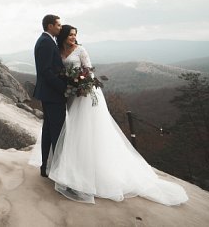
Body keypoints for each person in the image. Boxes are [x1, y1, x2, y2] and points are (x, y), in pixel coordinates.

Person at [47, 25, 188, 205]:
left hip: (85, 94)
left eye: (75, 35)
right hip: (71, 95)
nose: (73, 37)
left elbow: (89, 71)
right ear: (64, 36)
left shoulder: (81, 50)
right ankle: (74, 167)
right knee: (75, 129)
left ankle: (91, 172)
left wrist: (80, 82)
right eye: (70, 35)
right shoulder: (58, 50)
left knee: (87, 130)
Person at [32, 14, 67, 178]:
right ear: (50, 26)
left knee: (48, 130)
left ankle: (46, 166)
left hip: (48, 93)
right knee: (56, 132)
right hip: (52, 94)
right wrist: (63, 88)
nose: (60, 27)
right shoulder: (46, 42)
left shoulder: (47, 40)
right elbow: (46, 71)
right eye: (58, 25)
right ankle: (56, 169)